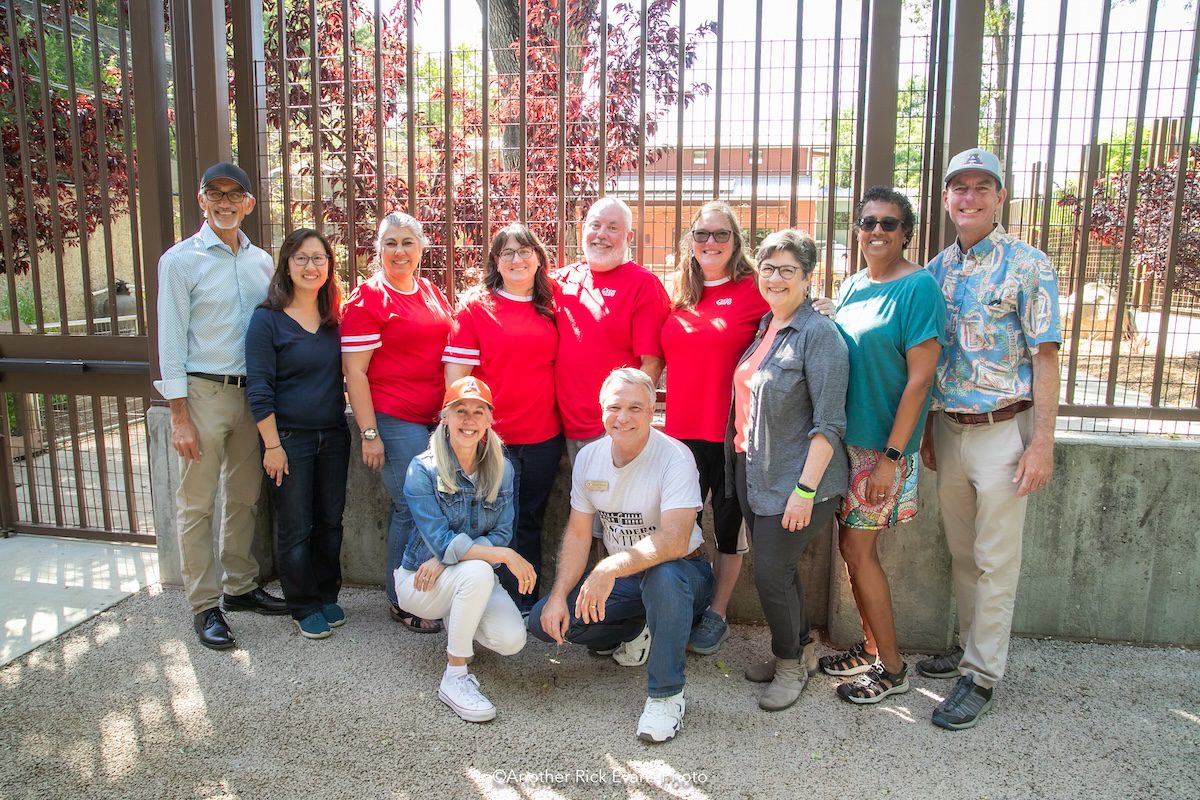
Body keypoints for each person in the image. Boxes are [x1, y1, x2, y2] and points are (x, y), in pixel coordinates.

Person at [919, 148, 1061, 730]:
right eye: (960, 188)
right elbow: (929, 356)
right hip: (951, 429)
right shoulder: (936, 268)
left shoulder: (1030, 266)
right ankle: (970, 643)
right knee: (961, 553)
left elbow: (1045, 357)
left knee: (996, 559)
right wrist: (928, 429)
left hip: (1006, 429)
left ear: (1001, 196)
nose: (970, 198)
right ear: (947, 198)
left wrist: (1042, 443)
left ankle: (981, 675)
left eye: (983, 187)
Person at [529, 368, 713, 743]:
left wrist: (609, 566)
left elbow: (676, 540)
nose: (623, 417)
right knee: (544, 622)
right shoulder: (589, 458)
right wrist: (561, 596)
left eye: (635, 407)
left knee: (664, 578)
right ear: (601, 410)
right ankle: (638, 627)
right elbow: (579, 533)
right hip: (626, 579)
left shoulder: (675, 457)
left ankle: (666, 696)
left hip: (683, 573)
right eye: (614, 407)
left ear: (651, 411)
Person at [817, 187, 945, 703]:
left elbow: (920, 380)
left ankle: (891, 669)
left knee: (859, 551)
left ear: (906, 233)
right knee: (852, 551)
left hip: (882, 448)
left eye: (889, 224)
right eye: (868, 222)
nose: (876, 231)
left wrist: (892, 458)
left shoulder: (919, 288)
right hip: (847, 442)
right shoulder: (853, 285)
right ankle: (872, 650)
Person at [155, 161, 288, 651]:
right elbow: (169, 339)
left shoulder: (261, 261)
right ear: (201, 199)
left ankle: (240, 587)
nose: (226, 202)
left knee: (246, 495)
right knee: (196, 504)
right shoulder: (180, 261)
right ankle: (204, 605)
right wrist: (179, 415)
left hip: (251, 397)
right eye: (217, 194)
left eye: (235, 195)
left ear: (249, 203)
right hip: (203, 393)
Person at [730, 229, 849, 712]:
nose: (775, 278)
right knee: (779, 572)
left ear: (807, 277)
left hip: (799, 481)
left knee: (771, 574)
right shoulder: (767, 325)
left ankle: (789, 665)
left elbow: (829, 425)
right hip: (752, 468)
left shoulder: (820, 336)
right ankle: (796, 648)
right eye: (769, 268)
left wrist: (804, 490)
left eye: (787, 270)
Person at [660, 201, 768, 655]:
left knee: (727, 526)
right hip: (680, 433)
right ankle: (682, 600)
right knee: (677, 525)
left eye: (721, 235)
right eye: (702, 234)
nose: (710, 243)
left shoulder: (754, 291)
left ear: (736, 242)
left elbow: (794, 322)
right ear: (690, 240)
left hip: (730, 434)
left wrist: (823, 305)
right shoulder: (677, 292)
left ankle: (717, 613)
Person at [395, 376, 532, 722]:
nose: (469, 420)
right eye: (460, 411)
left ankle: (459, 614)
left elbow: (502, 533)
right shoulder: (422, 469)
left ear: (488, 421)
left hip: (445, 573)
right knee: (477, 569)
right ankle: (454, 677)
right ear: (445, 417)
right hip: (418, 582)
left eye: (477, 412)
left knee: (511, 640)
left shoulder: (502, 469)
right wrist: (501, 556)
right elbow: (441, 541)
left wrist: (446, 562)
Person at [341, 212, 454, 632]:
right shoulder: (367, 300)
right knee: (412, 503)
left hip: (433, 418)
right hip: (392, 417)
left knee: (429, 503)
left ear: (421, 248)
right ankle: (401, 596)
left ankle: (422, 587)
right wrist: (370, 434)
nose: (400, 251)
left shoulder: (429, 291)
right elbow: (354, 373)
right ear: (378, 249)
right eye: (390, 243)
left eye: (408, 242)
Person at [443, 223, 562, 615]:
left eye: (524, 250)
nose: (516, 258)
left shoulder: (552, 302)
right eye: (507, 252)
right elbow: (457, 379)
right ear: (496, 261)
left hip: (544, 436)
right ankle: (482, 600)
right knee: (489, 523)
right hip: (493, 440)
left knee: (529, 520)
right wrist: (461, 433)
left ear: (538, 258)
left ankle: (523, 603)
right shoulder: (477, 306)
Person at [245, 228, 350, 640]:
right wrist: (272, 445)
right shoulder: (266, 320)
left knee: (330, 521)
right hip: (288, 439)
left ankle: (326, 594)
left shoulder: (333, 319)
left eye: (319, 258)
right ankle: (302, 603)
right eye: (302, 258)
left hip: (333, 436)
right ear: (286, 265)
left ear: (329, 266)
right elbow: (259, 389)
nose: (311, 266)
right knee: (295, 525)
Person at [553, 197, 670, 462]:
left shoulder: (644, 285)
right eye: (595, 225)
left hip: (611, 431)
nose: (601, 235)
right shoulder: (561, 281)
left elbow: (651, 364)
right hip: (558, 430)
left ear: (628, 236)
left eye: (612, 227)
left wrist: (622, 424)